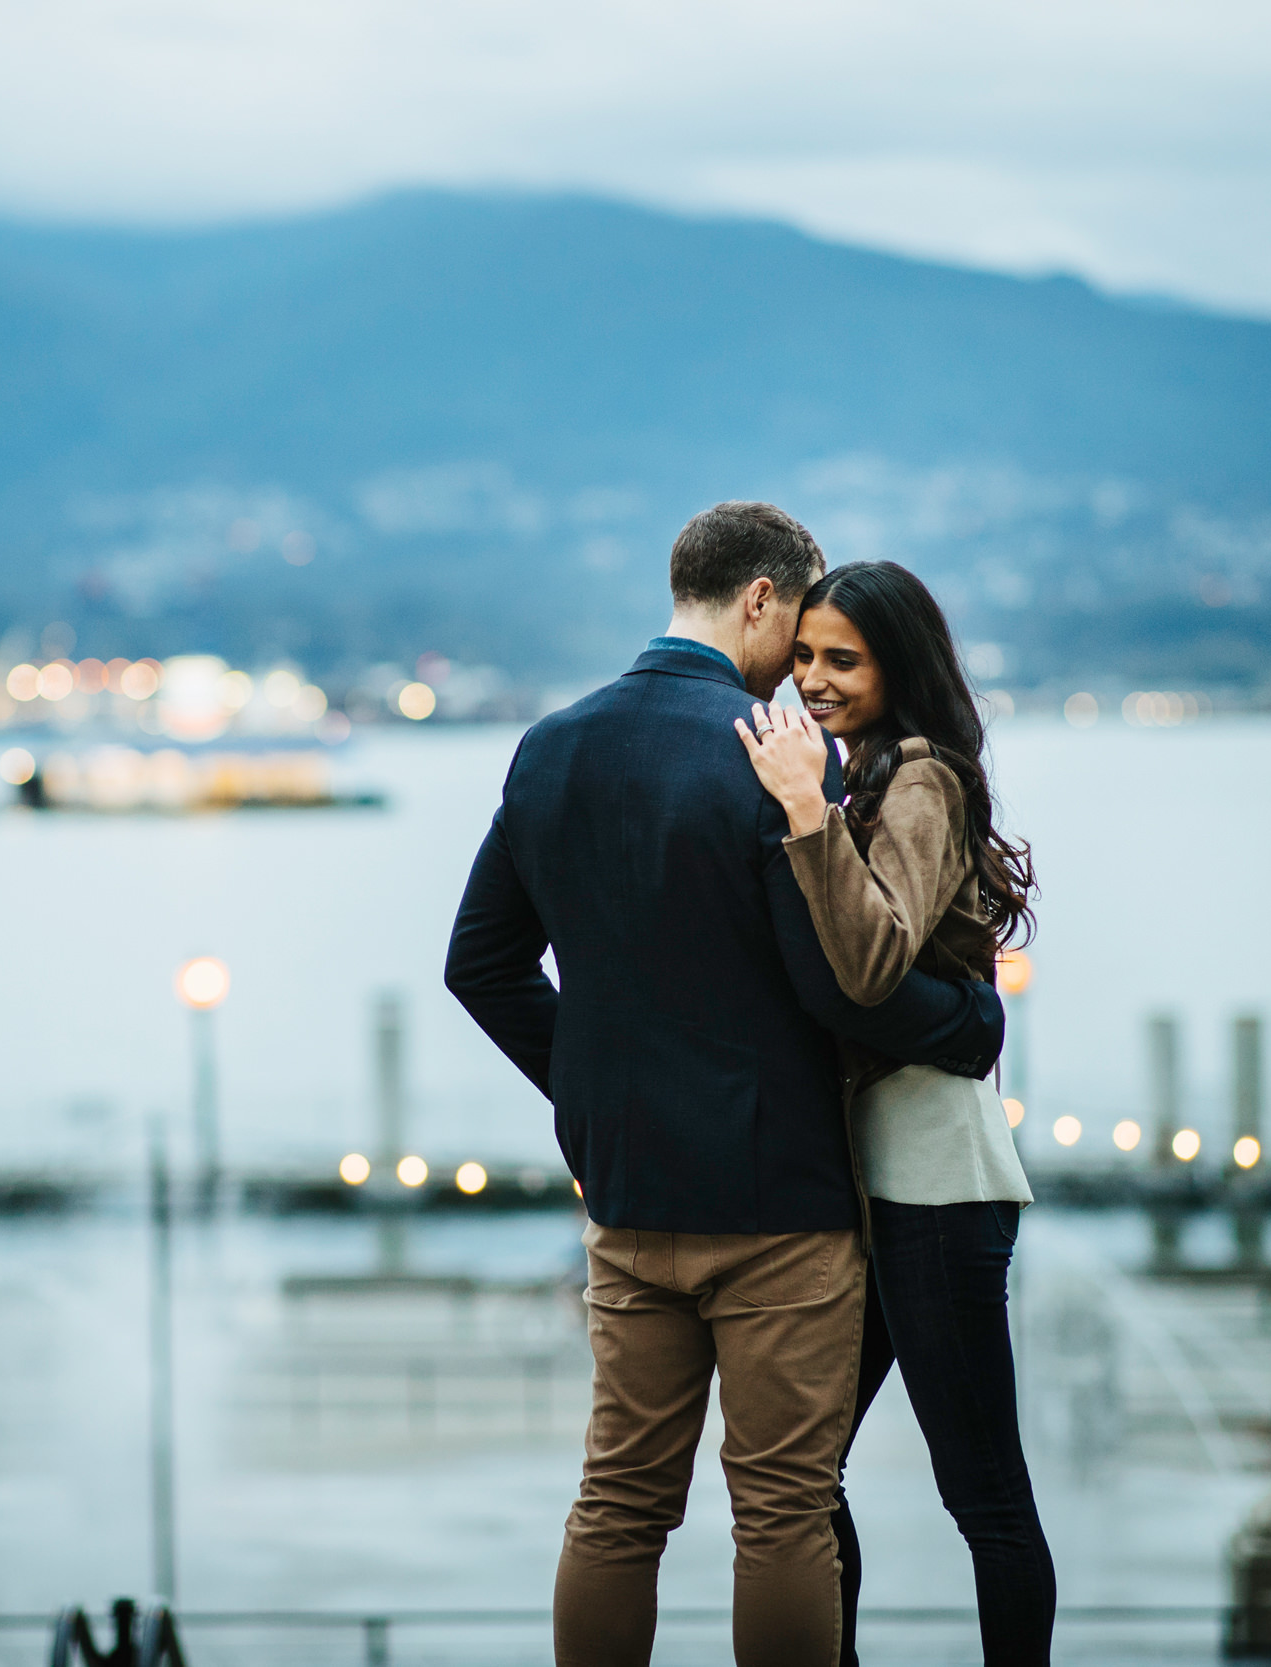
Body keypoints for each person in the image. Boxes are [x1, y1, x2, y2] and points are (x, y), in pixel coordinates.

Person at [445, 504, 1005, 1667]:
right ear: (759, 599)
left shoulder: (549, 746)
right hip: (779, 1199)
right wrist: (967, 1019)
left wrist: (592, 1088)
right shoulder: (771, 752)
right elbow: (843, 986)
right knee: (782, 1508)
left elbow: (480, 963)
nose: (798, 668)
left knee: (619, 1499)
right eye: (794, 630)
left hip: (627, 1193)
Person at [735, 559, 1053, 1667]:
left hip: (935, 1183)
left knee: (983, 1492)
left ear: (898, 666)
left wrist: (803, 810)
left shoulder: (919, 778)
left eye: (844, 659)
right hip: (868, 1187)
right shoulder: (858, 771)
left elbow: (869, 962)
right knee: (806, 1474)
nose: (814, 679)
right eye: (804, 656)